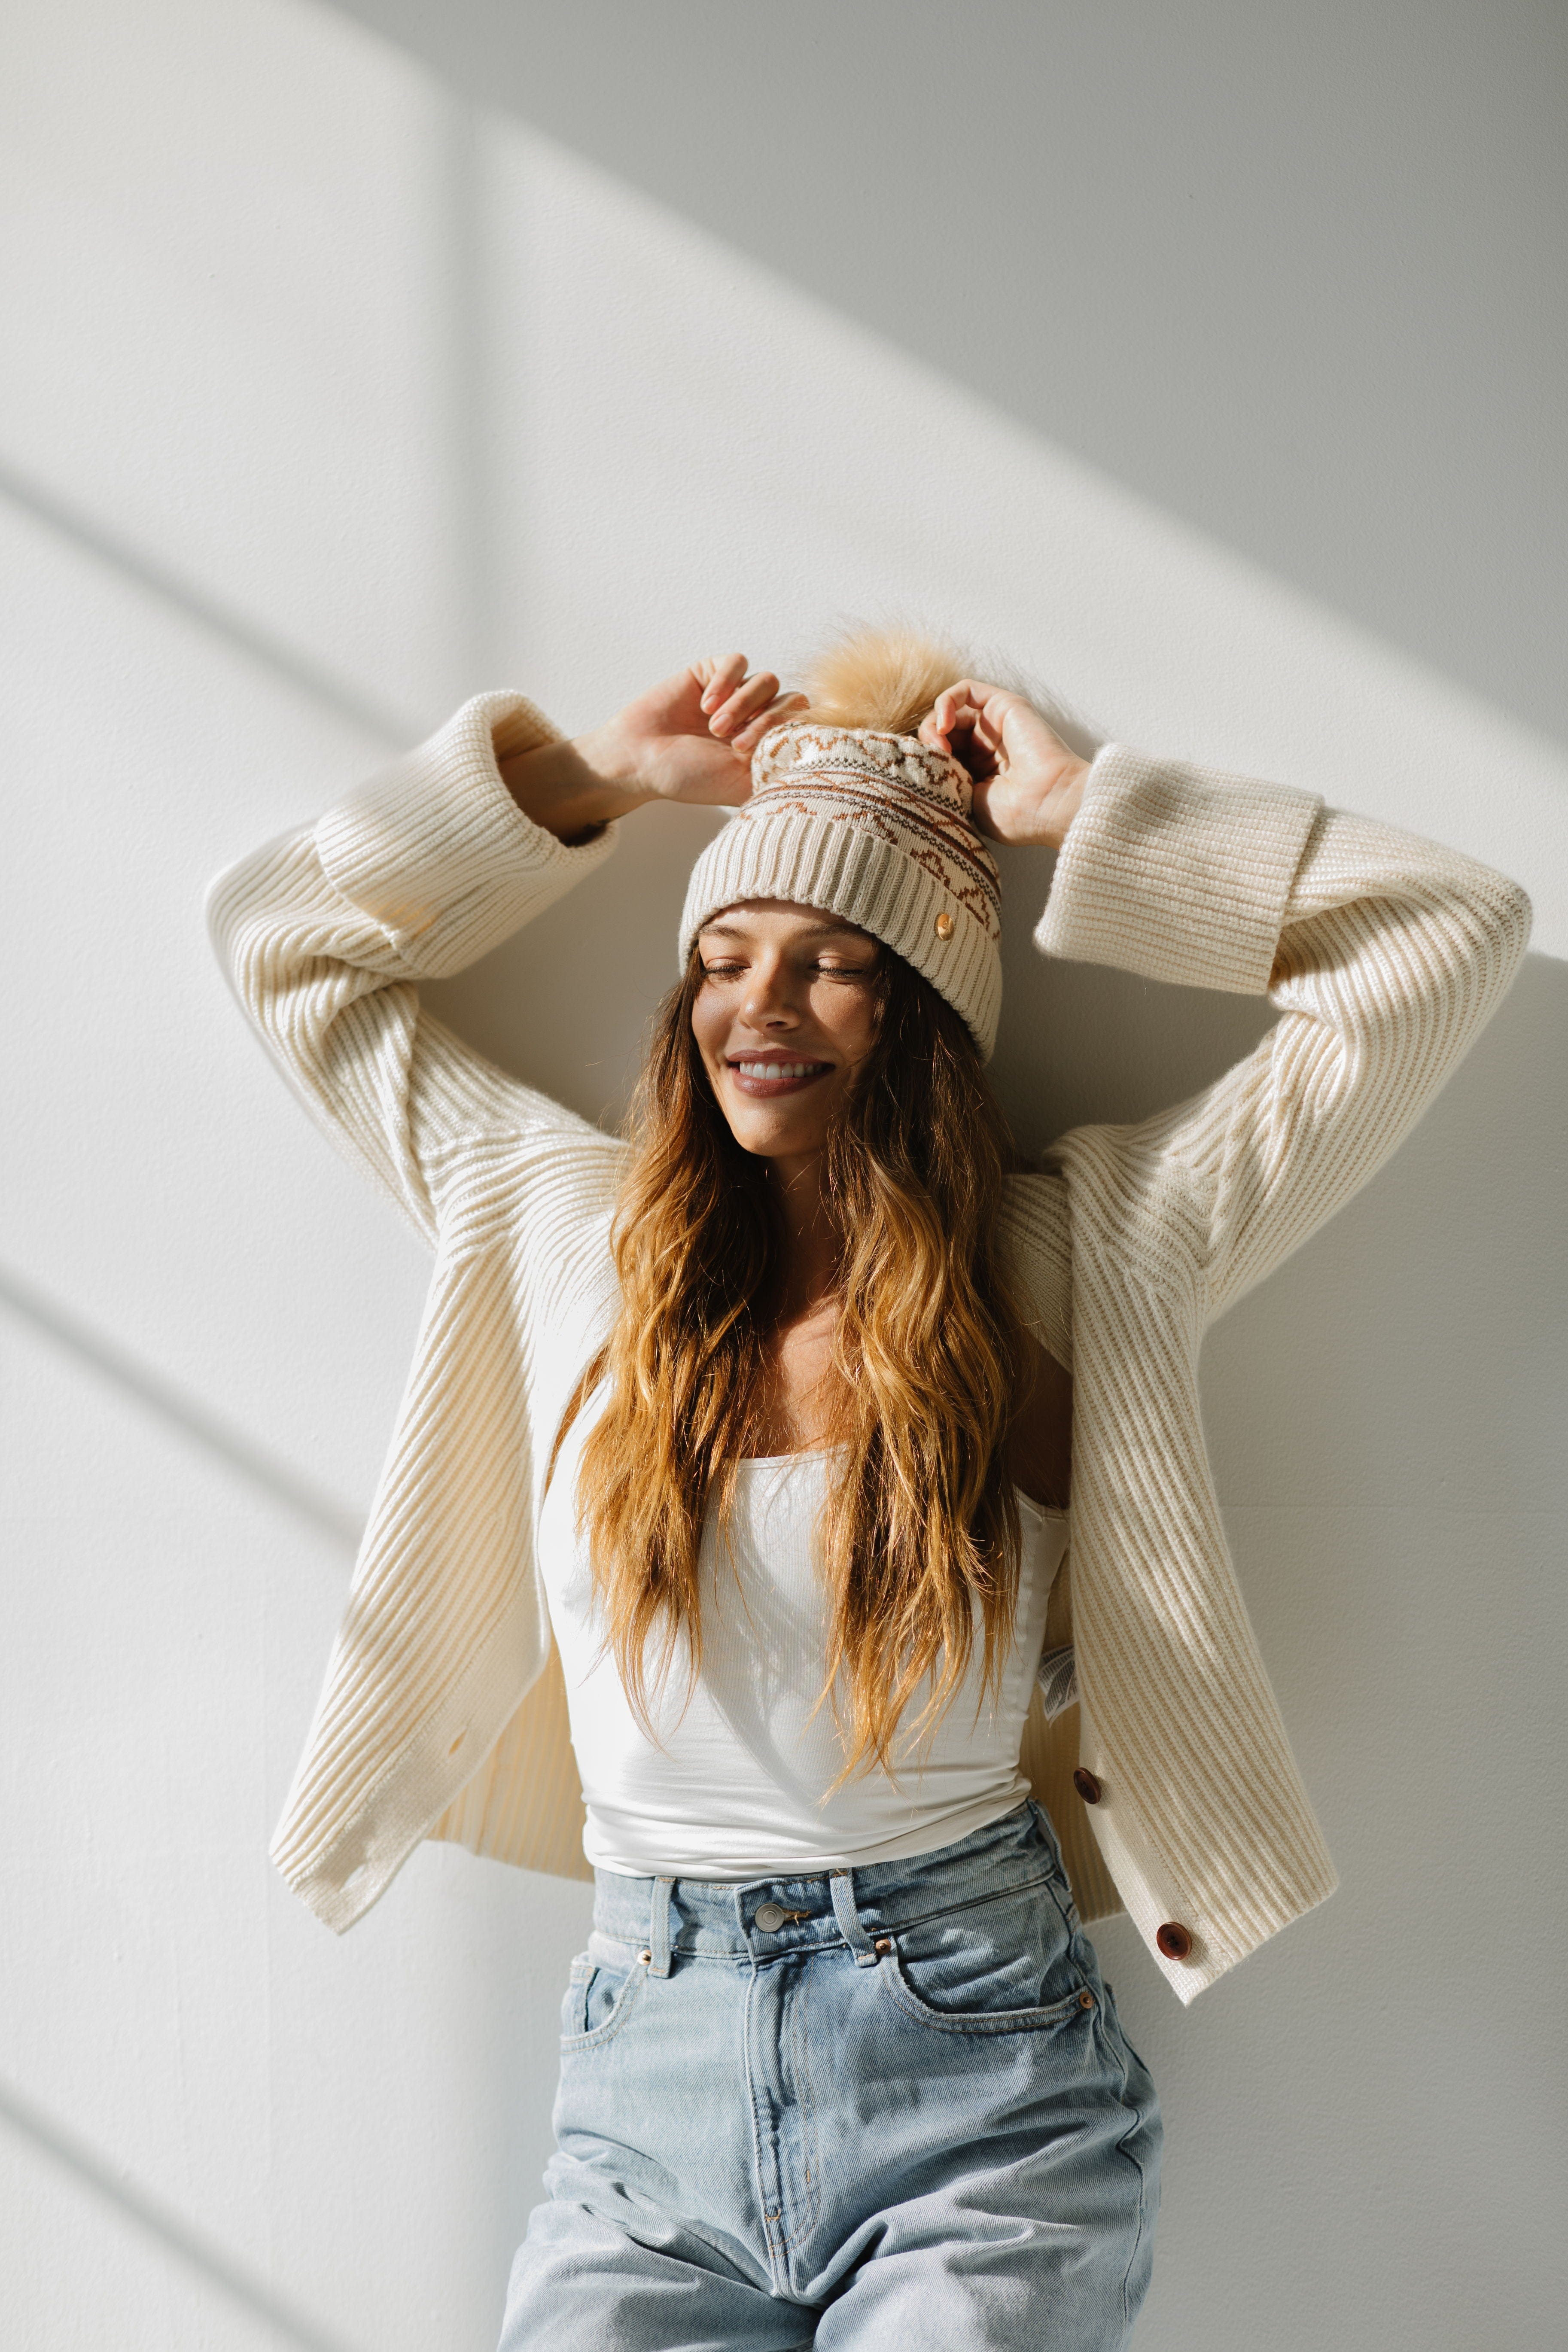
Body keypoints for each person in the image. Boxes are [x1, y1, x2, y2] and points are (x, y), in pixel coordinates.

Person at [207, 627, 1530, 2348]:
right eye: (726, 956)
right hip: (640, 2089)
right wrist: (591, 782)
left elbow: (1444, 935)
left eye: (832, 962)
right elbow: (284, 944)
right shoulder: (553, 1225)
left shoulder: (1081, 1251)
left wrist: (1086, 816)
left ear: (921, 1013)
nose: (759, 1009)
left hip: (979, 2078)